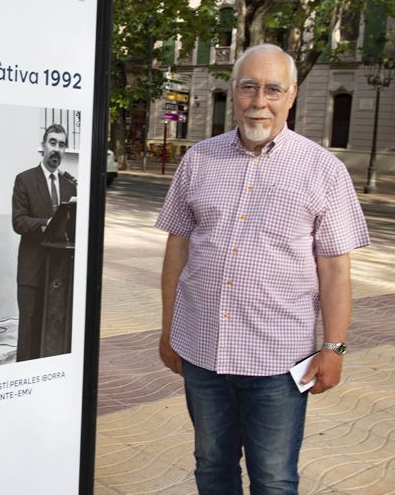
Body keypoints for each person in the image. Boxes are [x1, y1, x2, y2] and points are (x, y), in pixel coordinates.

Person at [156, 44, 370, 495]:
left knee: (273, 478)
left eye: (273, 89)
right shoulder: (198, 160)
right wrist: (168, 329)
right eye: (249, 87)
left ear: (291, 95)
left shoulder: (324, 171)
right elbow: (177, 248)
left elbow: (334, 268)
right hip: (202, 349)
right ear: (234, 92)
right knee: (212, 467)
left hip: (277, 362)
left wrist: (334, 348)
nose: (259, 101)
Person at [12, 124, 76, 362]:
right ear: (43, 146)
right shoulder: (25, 180)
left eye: (61, 144)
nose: (56, 149)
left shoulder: (71, 185)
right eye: (52, 142)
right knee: (29, 331)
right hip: (33, 271)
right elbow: (18, 222)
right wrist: (47, 223)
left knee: (55, 332)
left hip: (60, 275)